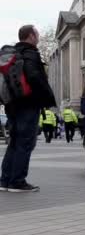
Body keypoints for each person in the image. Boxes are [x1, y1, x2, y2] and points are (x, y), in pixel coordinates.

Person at [1, 25, 56, 193]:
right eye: (37, 33)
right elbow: (34, 77)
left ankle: (5, 180)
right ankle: (18, 181)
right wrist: (47, 97)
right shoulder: (30, 54)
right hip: (28, 104)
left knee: (14, 142)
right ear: (31, 36)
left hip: (12, 104)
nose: (39, 36)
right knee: (25, 143)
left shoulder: (13, 55)